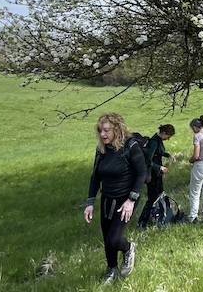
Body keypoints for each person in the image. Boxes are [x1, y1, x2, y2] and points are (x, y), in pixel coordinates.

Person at [84, 112, 148, 285]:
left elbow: (142, 173)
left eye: (106, 130)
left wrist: (131, 200)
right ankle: (111, 269)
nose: (102, 134)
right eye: (100, 131)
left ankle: (128, 248)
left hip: (126, 199)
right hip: (107, 198)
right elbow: (95, 177)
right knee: (107, 239)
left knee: (114, 238)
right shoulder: (102, 150)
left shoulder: (130, 146)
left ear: (117, 129)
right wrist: (90, 203)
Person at [137, 124, 176, 227]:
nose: (168, 139)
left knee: (160, 194)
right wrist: (160, 167)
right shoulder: (154, 141)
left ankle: (160, 215)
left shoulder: (159, 140)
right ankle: (142, 222)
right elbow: (148, 160)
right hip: (153, 174)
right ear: (163, 133)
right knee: (152, 197)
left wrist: (168, 155)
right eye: (168, 137)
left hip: (157, 174)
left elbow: (160, 152)